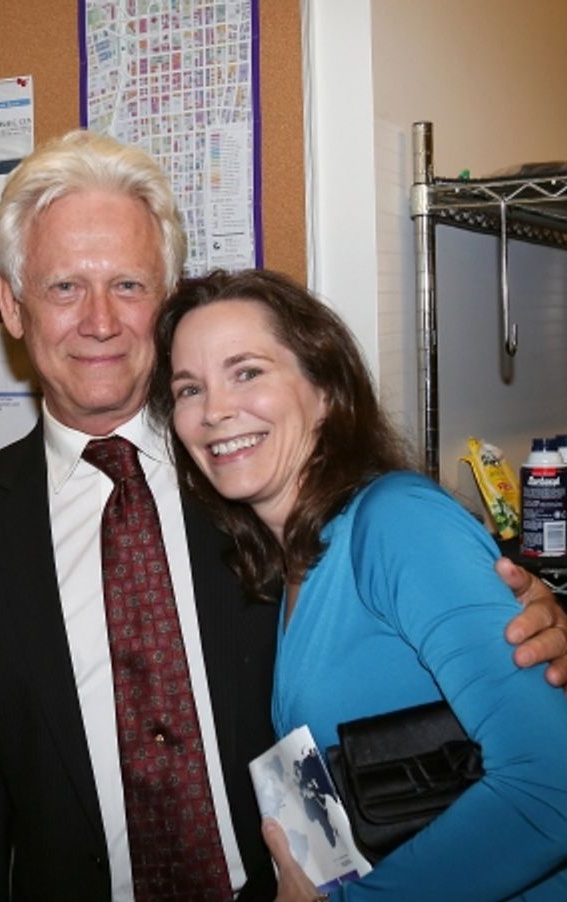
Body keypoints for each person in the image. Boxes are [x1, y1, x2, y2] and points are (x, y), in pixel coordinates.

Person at [0, 129, 567, 901]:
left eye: (128, 285)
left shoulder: (253, 485)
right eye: (63, 288)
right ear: (11, 306)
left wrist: (532, 618)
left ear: (165, 299)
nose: (99, 321)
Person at [156, 268, 567, 899]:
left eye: (247, 372)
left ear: (325, 390)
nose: (214, 410)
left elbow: (551, 786)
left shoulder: (397, 521)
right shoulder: (280, 566)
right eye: (189, 388)